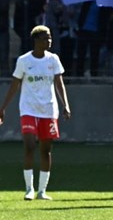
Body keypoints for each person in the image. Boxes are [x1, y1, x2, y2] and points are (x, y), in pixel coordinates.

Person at [0, 26, 70, 201]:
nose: (49, 41)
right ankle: (29, 189)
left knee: (46, 150)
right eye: (45, 38)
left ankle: (42, 191)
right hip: (28, 109)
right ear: (36, 40)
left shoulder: (53, 59)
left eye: (50, 37)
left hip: (49, 110)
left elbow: (59, 84)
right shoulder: (24, 60)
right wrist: (3, 107)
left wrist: (65, 105)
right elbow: (14, 85)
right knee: (30, 145)